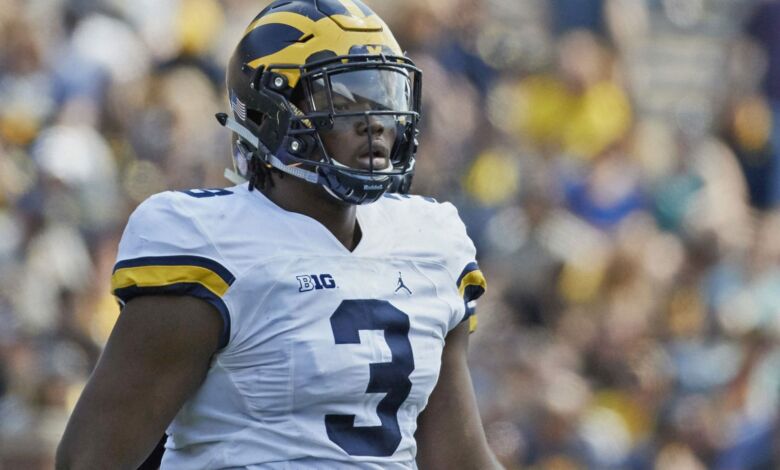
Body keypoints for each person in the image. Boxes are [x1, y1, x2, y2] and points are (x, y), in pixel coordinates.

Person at [56, 1, 500, 468]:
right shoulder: (212, 244)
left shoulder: (429, 242)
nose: (374, 120)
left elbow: (458, 458)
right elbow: (89, 460)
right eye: (344, 99)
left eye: (383, 95)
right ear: (268, 114)